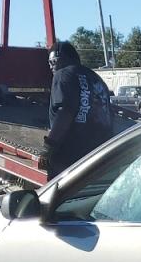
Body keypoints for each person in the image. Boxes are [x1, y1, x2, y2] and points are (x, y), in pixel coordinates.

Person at [43, 41, 114, 178]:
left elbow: (65, 111)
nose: (51, 66)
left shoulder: (62, 74)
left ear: (62, 58)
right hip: (100, 154)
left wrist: (49, 148)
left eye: (53, 61)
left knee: (61, 191)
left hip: (70, 159)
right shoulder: (96, 78)